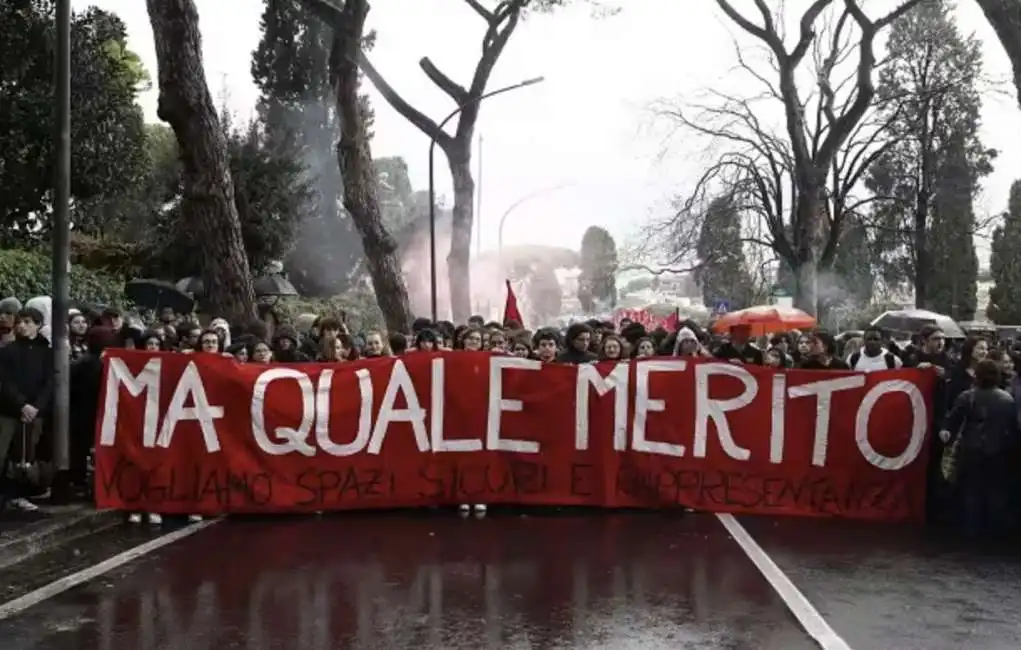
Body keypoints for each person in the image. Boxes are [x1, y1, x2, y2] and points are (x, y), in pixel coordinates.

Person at [939, 359, 1018, 537]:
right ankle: (994, 531)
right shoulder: (1007, 400)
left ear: (977, 376)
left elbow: (952, 421)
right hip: (998, 451)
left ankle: (972, 529)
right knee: (996, 491)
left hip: (971, 450)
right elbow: (1012, 428)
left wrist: (946, 433)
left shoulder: (967, 396)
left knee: (971, 492)